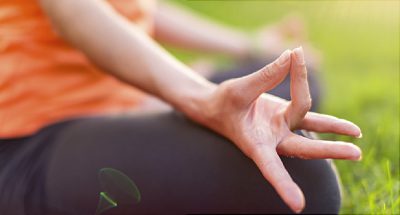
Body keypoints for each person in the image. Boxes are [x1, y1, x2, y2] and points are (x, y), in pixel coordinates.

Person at [0, 0, 363, 214]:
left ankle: (171, 94)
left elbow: (143, 9)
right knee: (306, 186)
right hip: (30, 135)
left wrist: (251, 44)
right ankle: (178, 92)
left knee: (296, 73)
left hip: (124, 95)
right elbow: (76, 12)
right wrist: (199, 97)